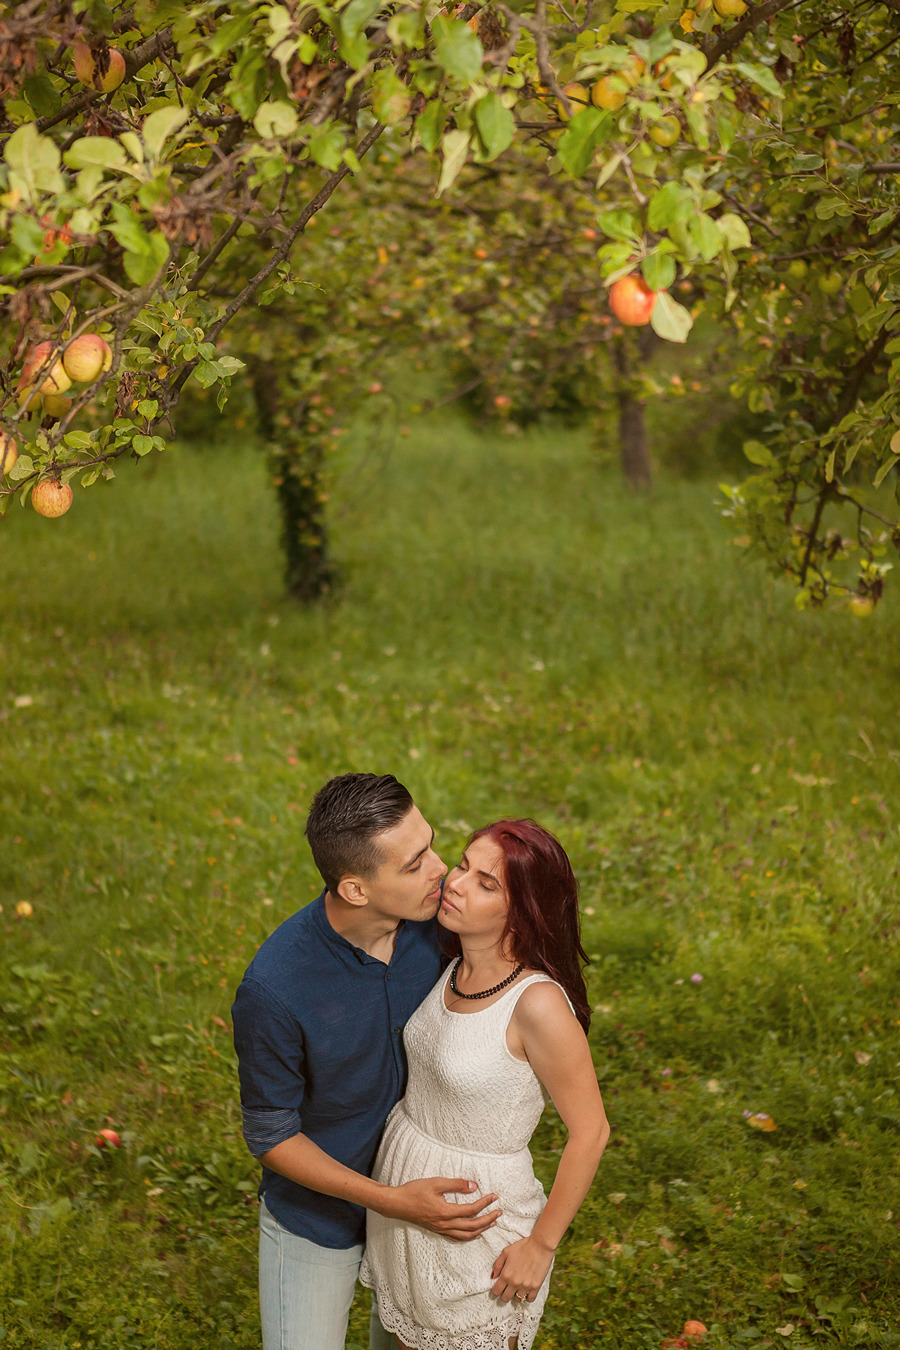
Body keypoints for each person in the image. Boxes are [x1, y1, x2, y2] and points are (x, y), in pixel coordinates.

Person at [232, 774, 501, 1350]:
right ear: (355, 890)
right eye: (413, 864)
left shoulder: (442, 932)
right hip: (316, 1217)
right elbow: (272, 1134)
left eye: (431, 844)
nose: (440, 871)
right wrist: (392, 1201)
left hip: (427, 1203)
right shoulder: (274, 989)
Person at [360, 819, 610, 1350]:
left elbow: (591, 1132)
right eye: (464, 865)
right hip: (408, 1200)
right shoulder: (447, 965)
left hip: (475, 1225)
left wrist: (541, 1245)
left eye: (486, 883)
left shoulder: (536, 1005)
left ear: (524, 914)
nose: (456, 883)